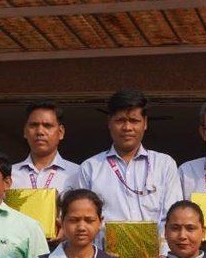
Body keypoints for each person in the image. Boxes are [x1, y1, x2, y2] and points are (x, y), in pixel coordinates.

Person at [74, 89, 182, 245]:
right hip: (105, 257)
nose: (127, 127)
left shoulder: (165, 164)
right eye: (120, 120)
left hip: (157, 257)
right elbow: (84, 220)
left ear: (145, 123)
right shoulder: (90, 168)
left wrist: (162, 254)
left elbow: (174, 218)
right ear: (109, 122)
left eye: (134, 120)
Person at [14, 102, 79, 219]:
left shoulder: (77, 173)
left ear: (61, 132)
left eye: (47, 126)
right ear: (25, 131)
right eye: (33, 125)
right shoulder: (9, 174)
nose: (40, 131)